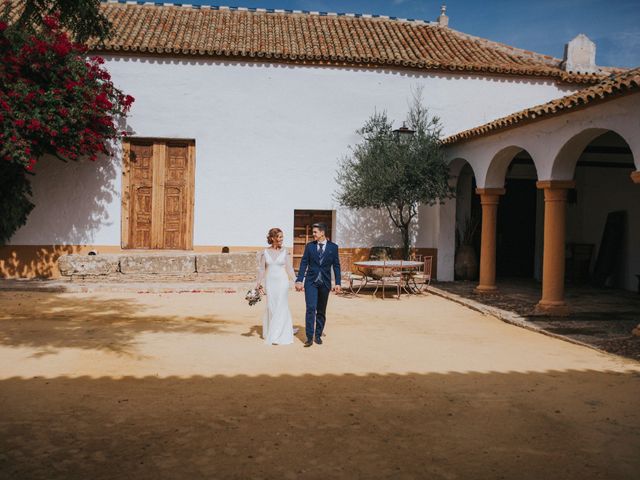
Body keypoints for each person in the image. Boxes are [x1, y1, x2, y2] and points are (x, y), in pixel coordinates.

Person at [295, 223, 341, 347]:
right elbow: (304, 263)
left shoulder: (333, 247)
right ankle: (309, 337)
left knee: (321, 310)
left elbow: (336, 266)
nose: (313, 234)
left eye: (315, 232)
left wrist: (337, 282)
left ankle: (318, 335)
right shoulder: (309, 247)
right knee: (310, 308)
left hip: (325, 283)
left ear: (322, 233)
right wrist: (299, 280)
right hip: (311, 282)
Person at [256, 228, 296, 345]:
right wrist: (258, 283)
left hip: (282, 282)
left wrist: (296, 280)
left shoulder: (285, 251)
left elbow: (289, 268)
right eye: (279, 237)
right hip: (270, 283)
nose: (281, 239)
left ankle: (278, 335)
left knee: (281, 305)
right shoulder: (265, 252)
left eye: (282, 237)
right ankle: (272, 330)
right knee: (272, 306)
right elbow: (262, 269)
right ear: (272, 238)